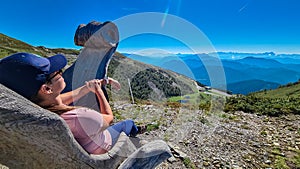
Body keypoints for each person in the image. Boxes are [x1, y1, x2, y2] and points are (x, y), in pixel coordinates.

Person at [0, 52, 141, 154]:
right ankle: (137, 137)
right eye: (57, 73)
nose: (61, 72)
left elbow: (62, 98)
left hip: (84, 143)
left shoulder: (40, 109)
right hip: (104, 147)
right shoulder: (81, 117)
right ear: (46, 89)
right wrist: (99, 91)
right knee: (127, 124)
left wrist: (93, 86)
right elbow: (109, 118)